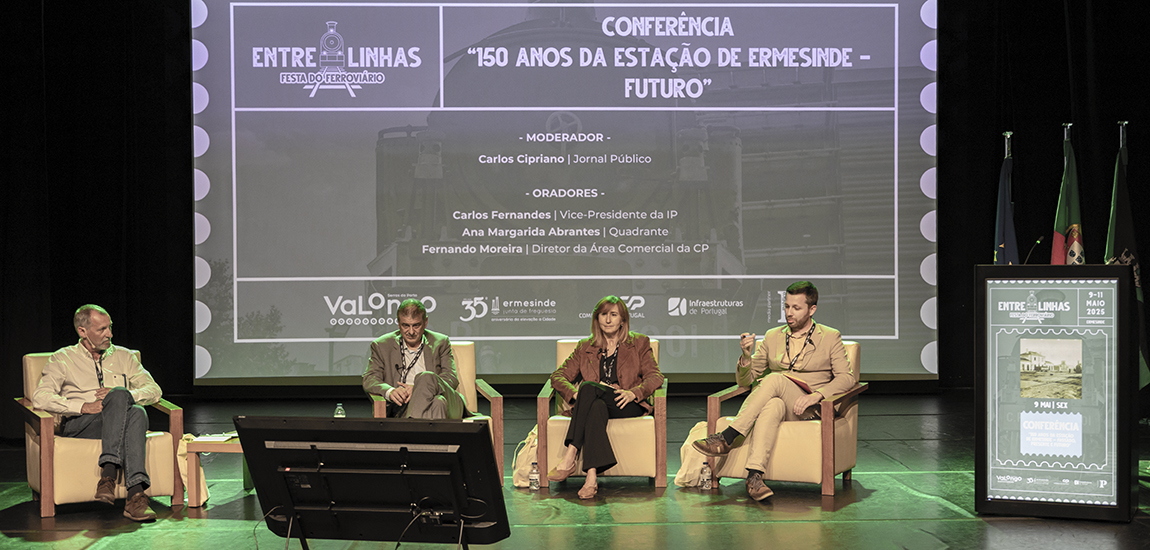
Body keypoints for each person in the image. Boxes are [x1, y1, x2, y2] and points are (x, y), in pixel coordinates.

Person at [692, 281, 855, 501]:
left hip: (812, 407)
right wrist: (747, 357)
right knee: (772, 404)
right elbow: (746, 380)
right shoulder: (773, 336)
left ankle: (727, 437)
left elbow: (847, 377)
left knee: (775, 379)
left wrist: (816, 396)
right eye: (786, 306)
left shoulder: (829, 336)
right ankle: (754, 477)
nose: (789, 313)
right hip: (783, 403)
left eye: (796, 308)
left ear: (812, 309)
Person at [32, 305, 163, 521]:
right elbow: (41, 397)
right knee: (133, 410)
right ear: (82, 332)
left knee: (135, 409)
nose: (109, 334)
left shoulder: (124, 356)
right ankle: (130, 491)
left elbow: (155, 390)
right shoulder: (62, 358)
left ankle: (120, 486)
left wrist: (124, 396)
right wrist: (82, 407)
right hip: (82, 424)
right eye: (102, 329)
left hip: (118, 423)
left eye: (110, 327)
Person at [548, 296, 664, 499]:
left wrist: (633, 393)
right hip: (598, 403)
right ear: (597, 319)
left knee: (589, 388)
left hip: (626, 403)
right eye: (604, 315)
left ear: (622, 320)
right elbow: (558, 376)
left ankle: (570, 455)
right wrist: (576, 394)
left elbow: (655, 376)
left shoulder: (638, 343)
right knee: (595, 405)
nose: (608, 320)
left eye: (613, 315)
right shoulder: (585, 347)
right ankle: (591, 477)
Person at [363, 299, 467, 419]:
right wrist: (390, 391)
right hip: (404, 407)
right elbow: (369, 379)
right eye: (405, 325)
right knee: (438, 403)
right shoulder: (382, 345)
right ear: (398, 323)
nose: (411, 332)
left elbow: (451, 378)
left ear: (425, 322)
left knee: (426, 377)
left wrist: (420, 389)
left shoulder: (440, 342)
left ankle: (411, 426)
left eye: (416, 325)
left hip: (449, 403)